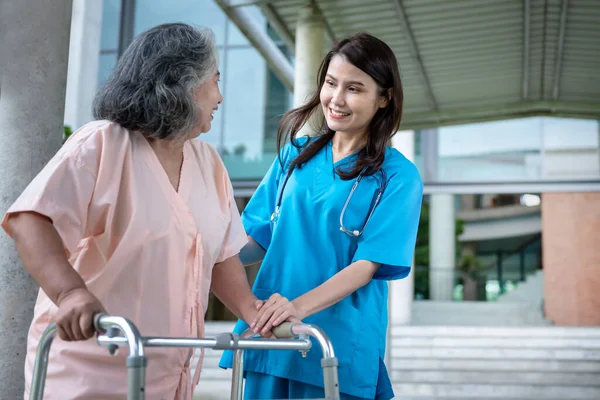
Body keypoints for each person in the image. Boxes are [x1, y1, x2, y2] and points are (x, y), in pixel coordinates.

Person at [2, 23, 261, 400]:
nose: (220, 97)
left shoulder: (209, 163)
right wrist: (71, 293)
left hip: (166, 378)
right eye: (214, 81)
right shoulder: (104, 143)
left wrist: (253, 311)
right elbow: (31, 219)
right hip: (85, 376)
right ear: (183, 84)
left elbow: (220, 257)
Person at [219, 32, 423, 400]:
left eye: (355, 89)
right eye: (331, 83)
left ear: (384, 98)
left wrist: (295, 308)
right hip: (270, 333)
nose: (337, 99)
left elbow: (367, 266)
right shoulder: (294, 155)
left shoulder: (397, 176)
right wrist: (196, 255)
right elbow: (250, 240)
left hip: (337, 343)